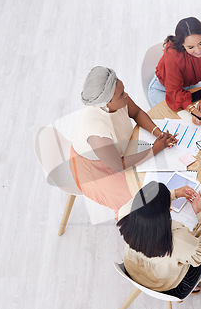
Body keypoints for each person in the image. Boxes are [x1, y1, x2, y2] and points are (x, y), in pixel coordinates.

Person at [70, 66, 177, 217]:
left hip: (118, 154)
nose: (126, 95)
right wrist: (154, 149)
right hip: (95, 170)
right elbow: (119, 165)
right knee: (140, 200)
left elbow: (137, 112)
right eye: (121, 95)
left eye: (124, 90)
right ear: (107, 104)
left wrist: (158, 133)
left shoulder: (119, 101)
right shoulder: (97, 133)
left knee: (157, 178)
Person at [117, 181, 201, 297]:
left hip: (133, 270)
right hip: (165, 285)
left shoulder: (125, 212)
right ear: (165, 212)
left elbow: (146, 204)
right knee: (198, 254)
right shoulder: (177, 239)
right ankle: (190, 286)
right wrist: (200, 212)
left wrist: (175, 193)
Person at [148, 17, 201, 125]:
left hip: (191, 85)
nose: (198, 50)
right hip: (165, 90)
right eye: (190, 47)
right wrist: (192, 110)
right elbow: (174, 90)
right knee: (179, 125)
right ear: (182, 45)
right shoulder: (172, 53)